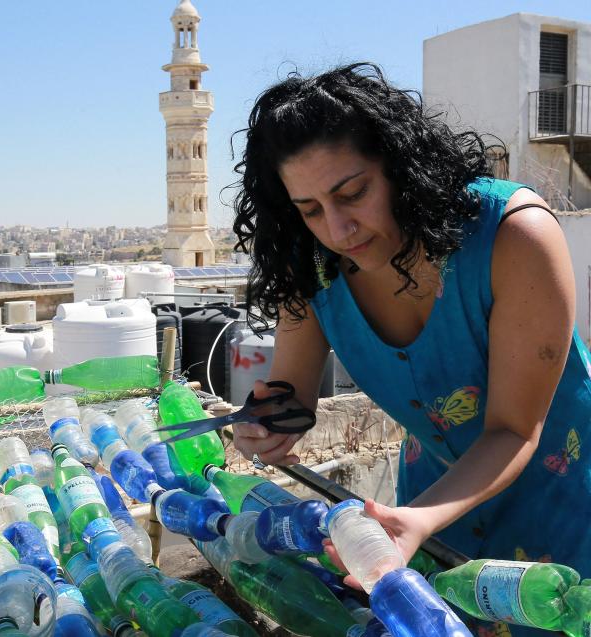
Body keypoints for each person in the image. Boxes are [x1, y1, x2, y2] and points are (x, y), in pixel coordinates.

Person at [229, 63, 591, 635]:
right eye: (310, 209)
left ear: (400, 166)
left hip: (563, 502)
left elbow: (515, 429)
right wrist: (267, 422)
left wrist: (412, 522)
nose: (339, 229)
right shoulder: (311, 262)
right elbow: (291, 392)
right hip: (430, 504)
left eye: (353, 193)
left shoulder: (513, 235)